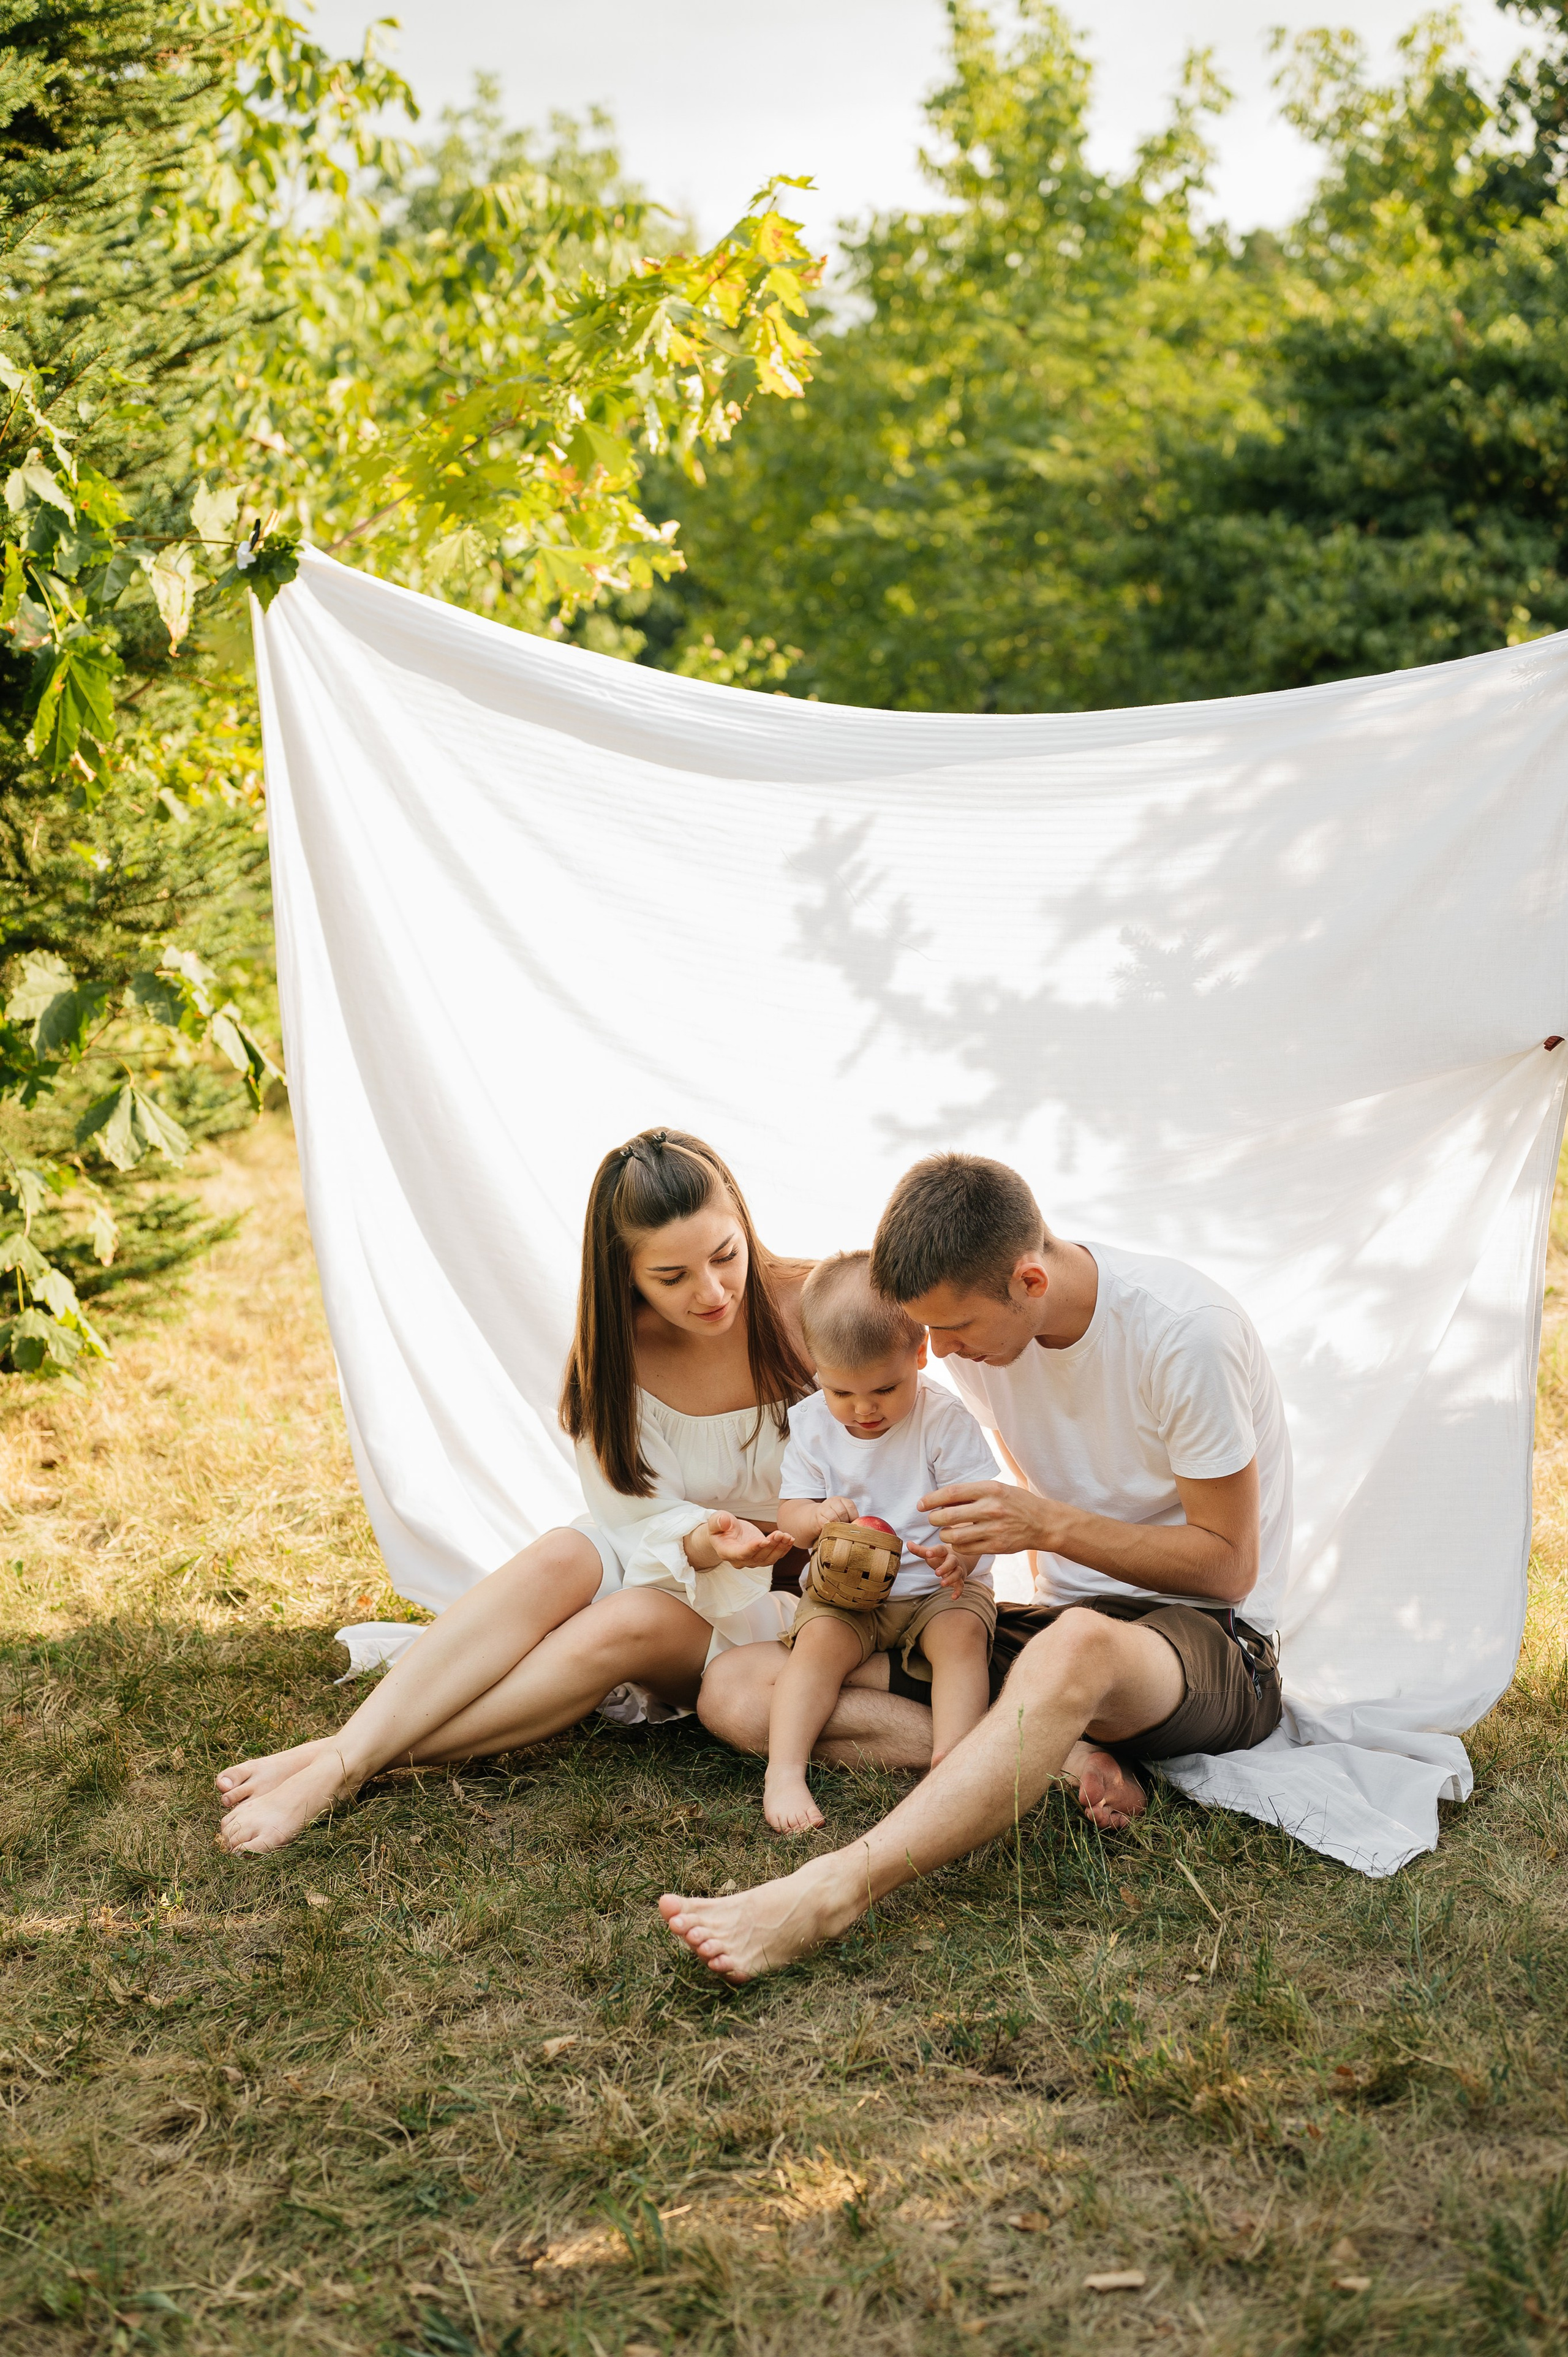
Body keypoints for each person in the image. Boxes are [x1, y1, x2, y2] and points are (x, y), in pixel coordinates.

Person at [662, 1152, 1291, 1982]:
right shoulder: (977, 1333)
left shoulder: (1183, 1334)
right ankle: (1050, 1753)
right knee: (738, 1687)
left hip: (1206, 1642)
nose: (939, 1351)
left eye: (953, 1330)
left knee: (1075, 1645)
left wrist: (1047, 1526)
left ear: (1029, 1281)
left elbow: (1230, 1567)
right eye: (927, 1331)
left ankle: (832, 1890)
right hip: (1060, 1629)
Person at [214, 1128, 816, 1854]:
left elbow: (900, 1434)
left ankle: (343, 1761)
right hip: (677, 1557)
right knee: (565, 1551)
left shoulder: (819, 1305)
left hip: (780, 1600)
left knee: (625, 1618)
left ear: (744, 1223)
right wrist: (703, 1538)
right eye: (672, 1276)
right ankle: (343, 1757)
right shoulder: (617, 1353)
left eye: (725, 1255)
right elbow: (634, 1521)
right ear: (625, 1274)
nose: (712, 1291)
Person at [766, 1251, 1000, 1833]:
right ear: (816, 1369)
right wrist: (816, 1516)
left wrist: (959, 1555)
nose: (864, 1409)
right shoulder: (812, 1424)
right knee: (817, 1646)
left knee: (962, 1636)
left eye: (885, 1388)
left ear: (920, 1354)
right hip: (846, 1591)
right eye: (842, 1392)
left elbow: (978, 1515)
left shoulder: (944, 1421)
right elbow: (790, 1518)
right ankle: (785, 1770)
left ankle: (955, 1766)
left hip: (937, 1588)